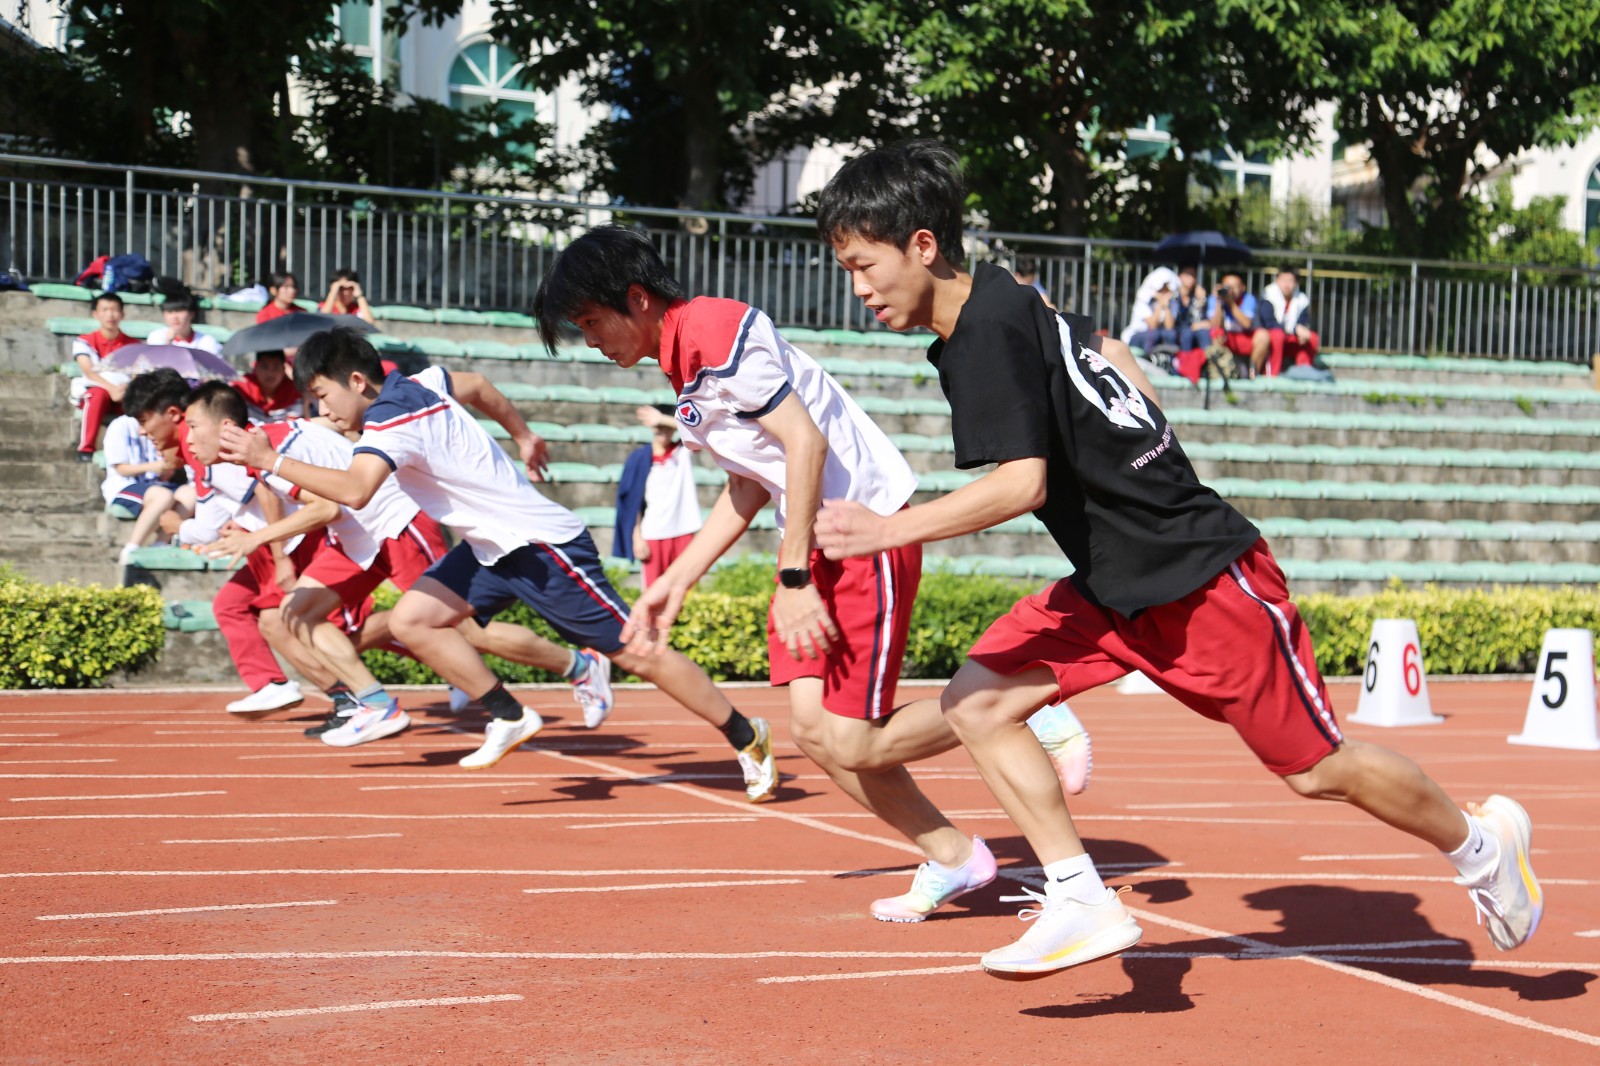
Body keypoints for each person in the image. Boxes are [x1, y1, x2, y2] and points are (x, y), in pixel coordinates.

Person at [812, 139, 1542, 977]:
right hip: (1113, 585)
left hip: (1201, 583)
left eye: (864, 266)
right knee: (977, 703)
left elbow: (1021, 485)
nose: (859, 289)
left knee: (1317, 770)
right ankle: (1081, 899)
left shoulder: (983, 336)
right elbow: (1116, 355)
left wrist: (884, 531)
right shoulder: (1009, 296)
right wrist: (1138, 447)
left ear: (922, 246)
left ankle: (1482, 844)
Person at [532, 225, 1092, 923]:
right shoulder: (682, 366)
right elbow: (748, 484)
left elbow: (806, 441)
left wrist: (793, 578)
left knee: (852, 738)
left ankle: (1015, 702)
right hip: (811, 543)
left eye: (590, 321)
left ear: (637, 299)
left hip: (862, 533)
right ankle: (953, 855)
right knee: (814, 732)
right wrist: (677, 581)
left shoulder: (711, 330)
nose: (589, 340)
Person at [217, 330, 779, 791]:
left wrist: (270, 460)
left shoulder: (390, 420)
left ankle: (746, 734)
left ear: (357, 382)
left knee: (638, 652)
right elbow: (481, 387)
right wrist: (523, 435)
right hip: (488, 549)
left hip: (541, 548)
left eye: (323, 395)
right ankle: (509, 714)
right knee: (413, 619)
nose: (323, 410)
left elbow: (355, 491)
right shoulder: (425, 382)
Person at [123, 369, 325, 714]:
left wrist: (280, 559)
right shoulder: (197, 450)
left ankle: (351, 694)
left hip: (289, 543)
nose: (142, 432)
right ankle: (274, 684)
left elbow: (265, 488)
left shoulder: (210, 446)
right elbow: (220, 517)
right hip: (276, 542)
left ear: (174, 415)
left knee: (288, 624)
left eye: (144, 421)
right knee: (232, 606)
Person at [101, 411, 194, 565]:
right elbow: (120, 468)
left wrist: (167, 468)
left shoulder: (160, 423)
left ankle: (160, 544)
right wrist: (153, 466)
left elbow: (169, 468)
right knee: (162, 496)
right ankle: (131, 549)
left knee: (190, 494)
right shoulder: (120, 425)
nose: (143, 432)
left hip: (157, 485)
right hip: (125, 485)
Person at [628, 404, 704, 587]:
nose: (663, 431)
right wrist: (637, 537)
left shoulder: (682, 451)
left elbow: (699, 434)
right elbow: (632, 502)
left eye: (667, 426)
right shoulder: (639, 458)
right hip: (653, 533)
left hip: (683, 530)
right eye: (659, 427)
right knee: (653, 590)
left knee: (684, 588)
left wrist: (662, 418)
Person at [71, 292, 137, 460]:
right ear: (95, 314)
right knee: (97, 395)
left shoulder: (134, 344)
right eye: (105, 310)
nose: (110, 315)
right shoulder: (84, 341)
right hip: (98, 391)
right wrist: (112, 389)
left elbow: (138, 374)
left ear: (122, 314)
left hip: (124, 392)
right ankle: (86, 449)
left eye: (114, 310)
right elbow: (89, 371)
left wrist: (125, 388)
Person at [1251, 267, 1320, 377]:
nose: (1286, 285)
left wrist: (1302, 330)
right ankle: (1272, 374)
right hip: (1272, 339)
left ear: (1296, 283)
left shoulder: (1302, 299)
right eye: (1283, 280)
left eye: (1290, 281)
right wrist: (1295, 329)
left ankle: (1304, 371)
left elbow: (1303, 321)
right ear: (1277, 280)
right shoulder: (1268, 295)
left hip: (1291, 338)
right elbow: (1270, 324)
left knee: (1312, 337)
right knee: (1277, 335)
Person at [1205, 270, 1257, 377]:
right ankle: (1218, 372)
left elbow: (1247, 324)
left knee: (1263, 336)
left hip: (1244, 338)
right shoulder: (1215, 299)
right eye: (1228, 286)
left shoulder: (1248, 299)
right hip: (1225, 340)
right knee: (1216, 334)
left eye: (1234, 286)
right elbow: (1214, 325)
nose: (1231, 290)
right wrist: (1219, 302)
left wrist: (1231, 303)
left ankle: (1254, 373)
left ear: (1243, 287)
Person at [1120, 267, 1181, 356]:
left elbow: (1169, 327)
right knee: (1153, 335)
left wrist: (1166, 307)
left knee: (1171, 334)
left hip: (1157, 334)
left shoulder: (1172, 303)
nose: (1164, 293)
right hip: (1137, 336)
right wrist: (1160, 305)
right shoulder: (1143, 301)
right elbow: (1152, 325)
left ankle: (1169, 360)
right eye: (1161, 290)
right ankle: (1148, 358)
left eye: (1166, 290)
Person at [232, 350, 304, 423]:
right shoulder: (239, 389)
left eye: (276, 367)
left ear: (283, 369)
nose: (270, 373)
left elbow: (293, 424)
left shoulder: (295, 393)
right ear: (255, 367)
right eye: (265, 367)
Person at [147, 293, 222, 354]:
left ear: (192, 314)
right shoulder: (156, 337)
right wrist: (168, 343)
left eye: (179, 311)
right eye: (170, 312)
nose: (174, 317)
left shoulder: (207, 341)